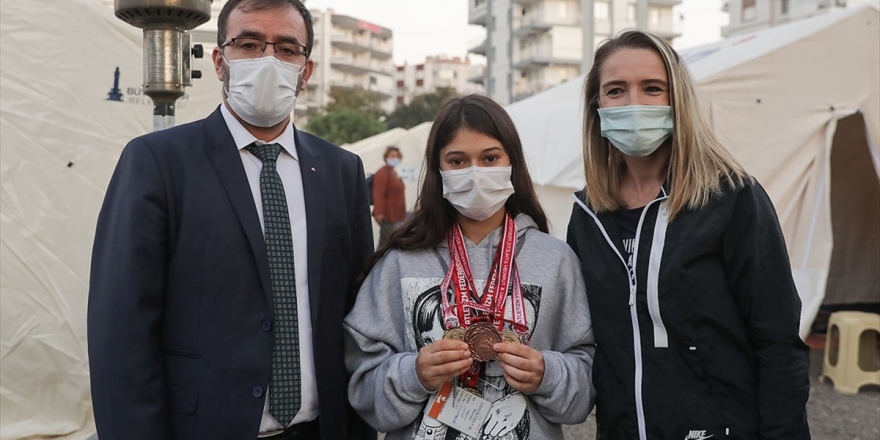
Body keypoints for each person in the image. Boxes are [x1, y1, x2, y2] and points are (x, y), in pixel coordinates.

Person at [87, 1, 375, 439]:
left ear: (306, 69)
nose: (267, 60)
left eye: (286, 48)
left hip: (321, 429)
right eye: (249, 44)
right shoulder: (158, 163)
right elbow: (121, 329)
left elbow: (359, 316)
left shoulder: (341, 171)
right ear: (221, 61)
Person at [566, 30, 811, 439]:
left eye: (652, 88)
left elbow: (778, 342)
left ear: (677, 100)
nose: (634, 103)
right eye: (615, 90)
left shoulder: (732, 198)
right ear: (598, 107)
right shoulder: (586, 216)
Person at [344, 94, 595, 440]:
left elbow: (589, 376)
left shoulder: (556, 261)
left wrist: (547, 374)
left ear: (513, 163)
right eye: (458, 161)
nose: (475, 172)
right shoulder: (399, 263)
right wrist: (413, 374)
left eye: (490, 158)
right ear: (438, 170)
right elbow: (361, 383)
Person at [372, 146, 406, 246]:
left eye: (396, 156)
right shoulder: (382, 172)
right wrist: (379, 213)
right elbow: (378, 193)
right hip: (388, 216)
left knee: (388, 245)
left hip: (396, 217)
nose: (394, 158)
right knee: (386, 245)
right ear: (386, 157)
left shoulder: (393, 173)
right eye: (392, 156)